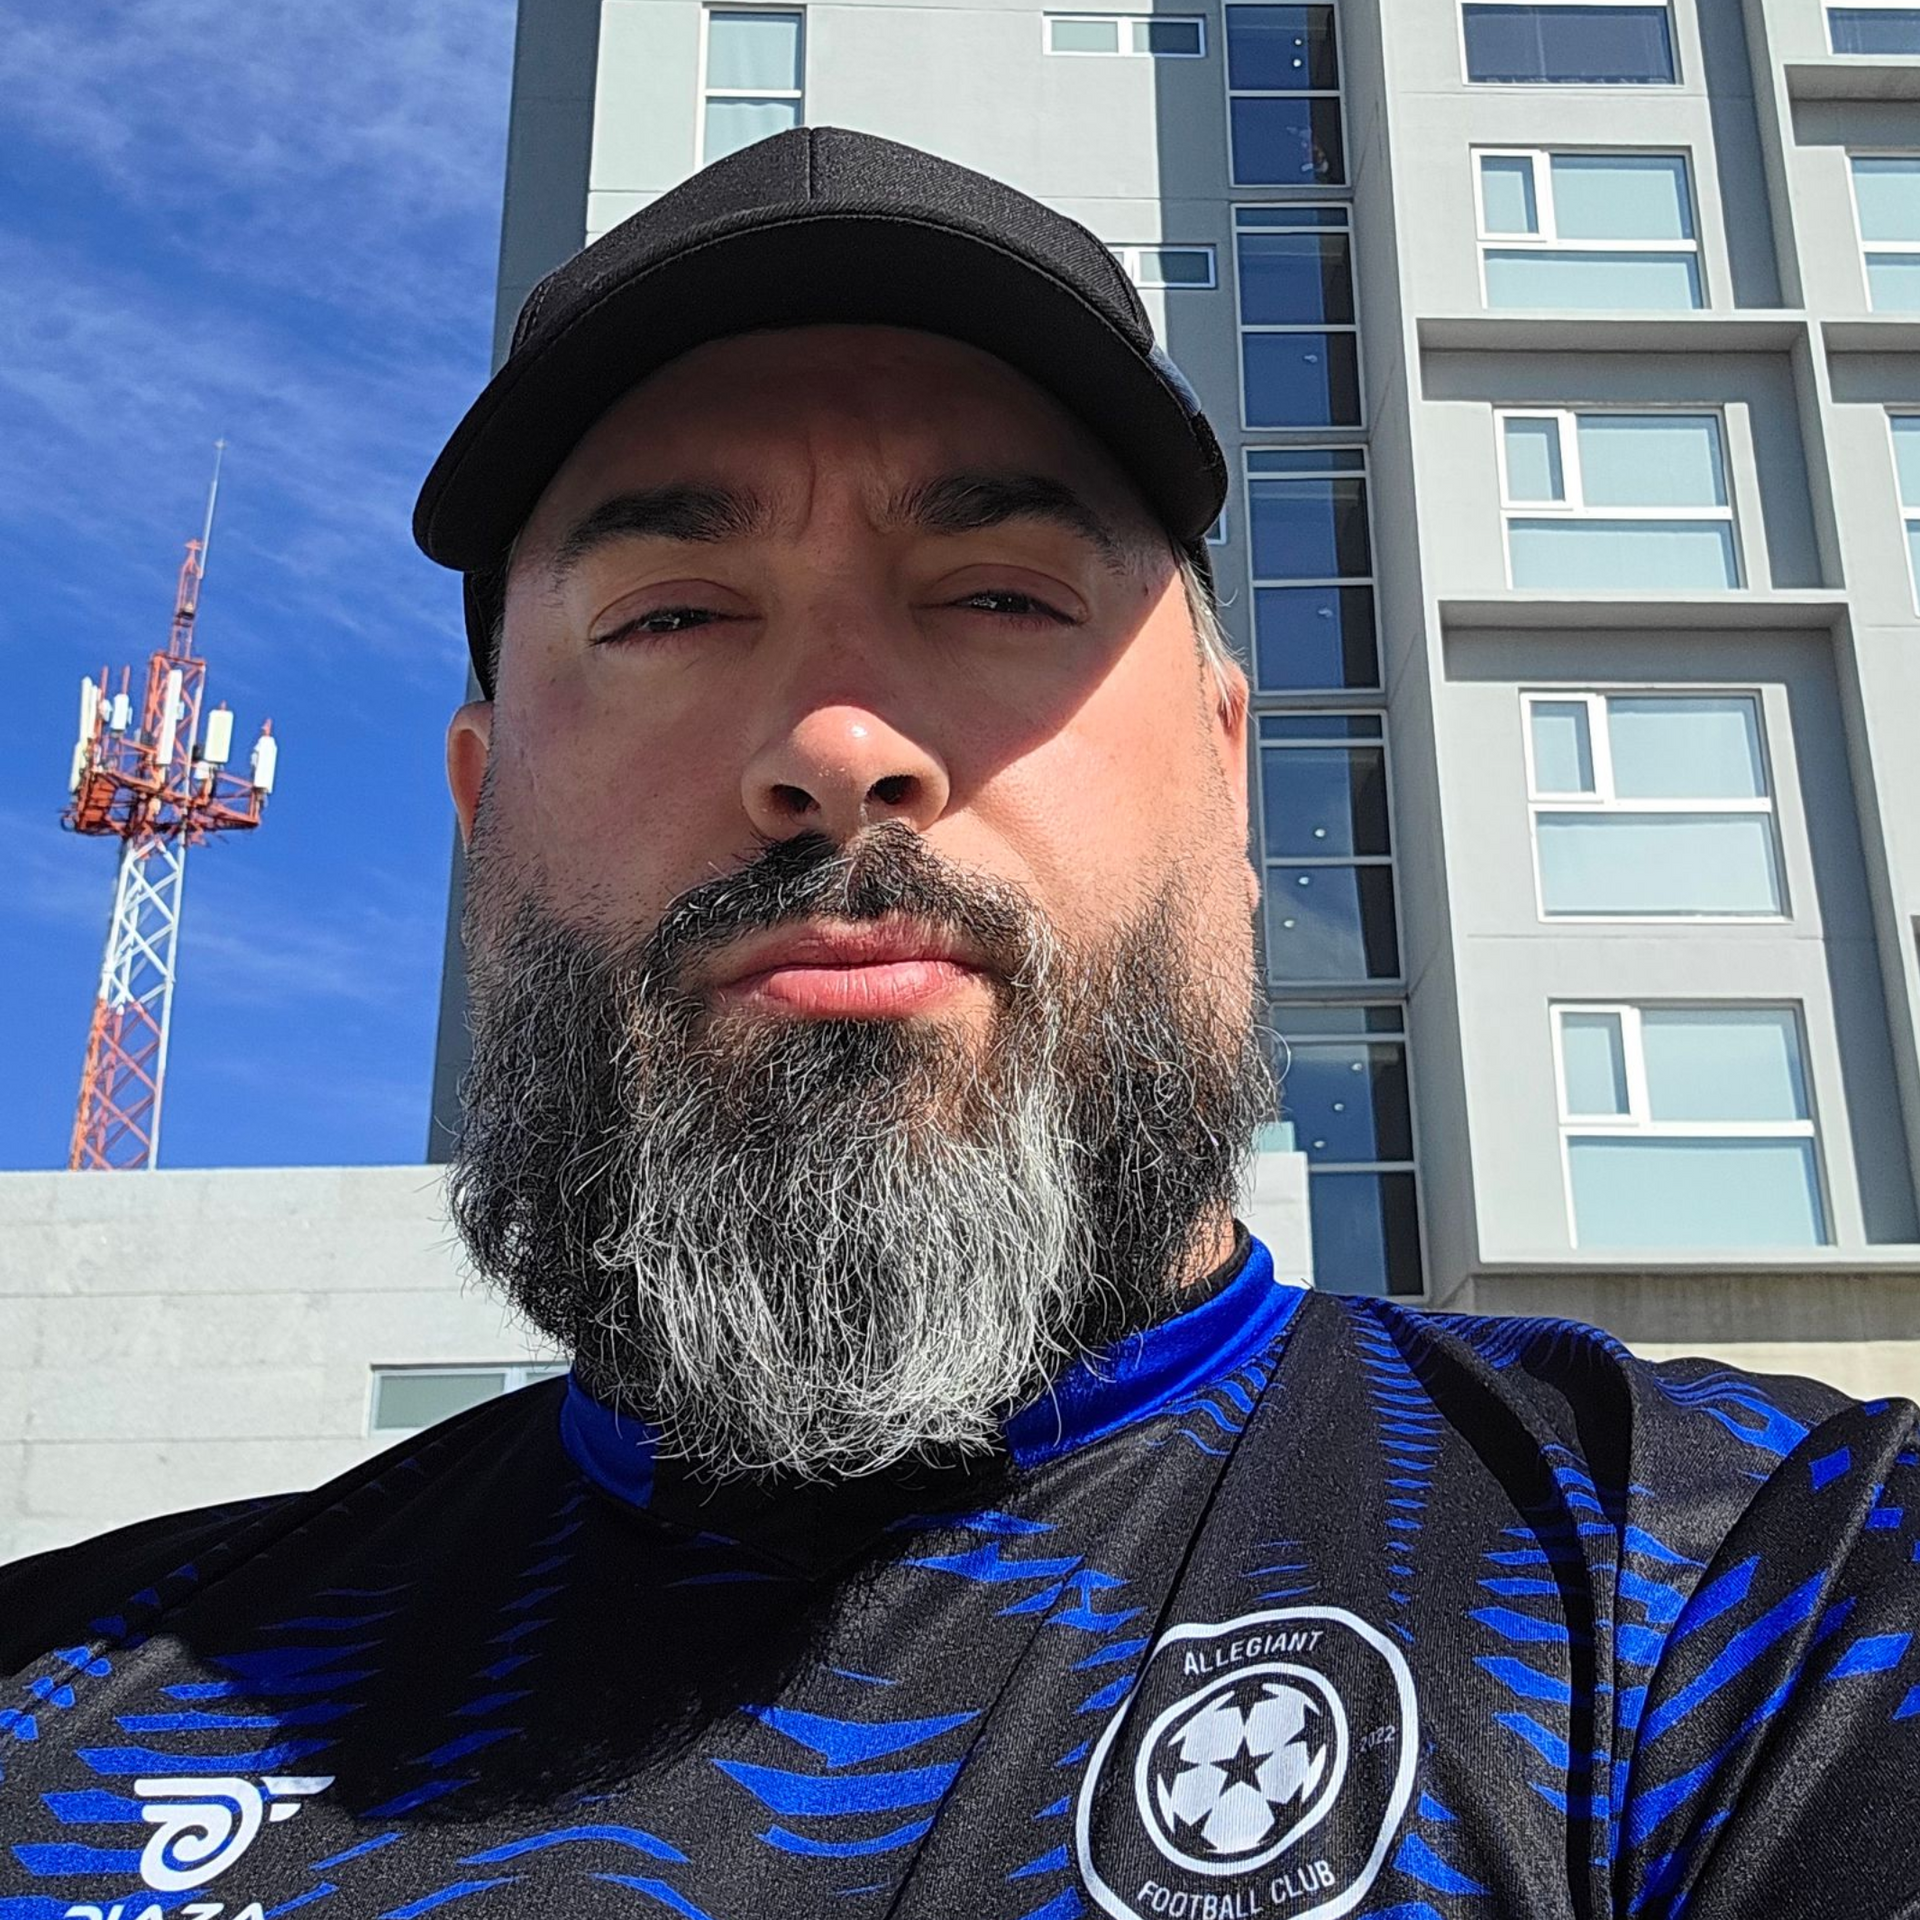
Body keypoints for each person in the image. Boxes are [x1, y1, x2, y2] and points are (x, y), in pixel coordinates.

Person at [3, 128, 1917, 1920]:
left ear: (1231, 784)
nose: (840, 746)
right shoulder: (55, 1723)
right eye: (673, 615)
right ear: (477, 810)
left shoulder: (1748, 1613)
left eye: (1000, 592)